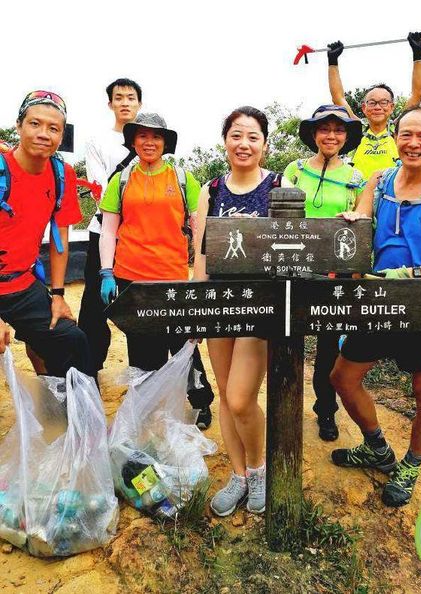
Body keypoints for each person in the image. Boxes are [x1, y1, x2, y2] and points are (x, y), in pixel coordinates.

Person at [330, 106, 421, 506]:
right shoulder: (380, 180)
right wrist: (351, 218)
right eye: (406, 134)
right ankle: (376, 448)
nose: (413, 143)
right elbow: (358, 221)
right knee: (343, 378)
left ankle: (410, 466)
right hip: (375, 303)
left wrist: (412, 275)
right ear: (395, 137)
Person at [193, 106, 292, 516]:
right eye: (236, 135)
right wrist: (195, 307)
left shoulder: (280, 185)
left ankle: (258, 468)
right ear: (225, 141)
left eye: (252, 136)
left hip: (261, 307)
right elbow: (200, 255)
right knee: (224, 397)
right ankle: (237, 474)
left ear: (265, 144)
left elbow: (295, 244)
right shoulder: (210, 190)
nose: (244, 144)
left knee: (239, 398)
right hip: (218, 305)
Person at [98, 112, 215, 427]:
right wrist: (106, 272)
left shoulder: (181, 178)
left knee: (184, 345)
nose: (149, 142)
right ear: (133, 141)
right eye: (142, 136)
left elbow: (198, 224)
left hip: (173, 277)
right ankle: (147, 403)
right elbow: (109, 230)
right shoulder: (121, 180)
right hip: (130, 278)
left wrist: (200, 274)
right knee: (141, 345)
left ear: (165, 142)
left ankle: (200, 401)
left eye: (156, 137)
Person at [283, 104, 363, 441]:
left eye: (339, 130)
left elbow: (362, 222)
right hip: (295, 269)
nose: (331, 135)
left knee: (328, 348)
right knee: (288, 342)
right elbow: (281, 218)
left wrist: (355, 217)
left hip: (336, 274)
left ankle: (325, 412)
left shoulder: (356, 178)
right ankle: (284, 409)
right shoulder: (295, 170)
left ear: (346, 137)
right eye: (325, 129)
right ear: (314, 134)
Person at [0, 90, 92, 377]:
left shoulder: (60, 173)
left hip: (23, 285)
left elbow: (60, 238)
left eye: (53, 128)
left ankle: (75, 416)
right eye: (35, 124)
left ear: (62, 135)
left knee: (69, 339)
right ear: (19, 126)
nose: (43, 134)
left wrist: (59, 295)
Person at [78, 78, 142, 376]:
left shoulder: (151, 140)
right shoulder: (97, 141)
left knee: (143, 304)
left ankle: (147, 373)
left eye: (131, 97)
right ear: (110, 104)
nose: (125, 102)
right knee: (93, 307)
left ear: (139, 103)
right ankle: (89, 372)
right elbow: (101, 190)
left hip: (141, 236)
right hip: (103, 231)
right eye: (119, 98)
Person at [327, 33, 421, 180]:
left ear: (392, 107)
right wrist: (332, 61)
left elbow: (418, 94)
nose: (377, 107)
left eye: (383, 102)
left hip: (391, 197)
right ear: (364, 108)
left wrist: (418, 54)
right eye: (372, 103)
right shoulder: (357, 129)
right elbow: (338, 98)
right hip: (358, 196)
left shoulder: (397, 130)